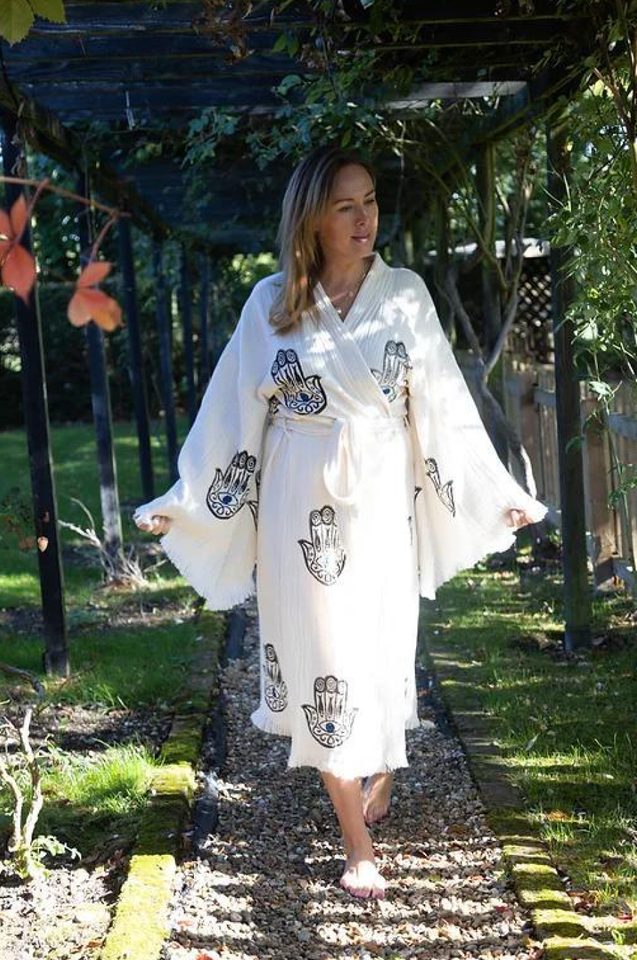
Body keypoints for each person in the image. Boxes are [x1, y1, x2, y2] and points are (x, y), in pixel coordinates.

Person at [134, 144, 547, 901]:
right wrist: (187, 501)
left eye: (371, 202)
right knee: (323, 656)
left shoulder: (405, 295)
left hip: (382, 498)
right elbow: (229, 413)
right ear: (312, 220)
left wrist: (492, 493)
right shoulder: (271, 304)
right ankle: (357, 843)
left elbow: (443, 406)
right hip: (299, 502)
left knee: (380, 652)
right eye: (345, 207)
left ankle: (378, 762)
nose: (365, 220)